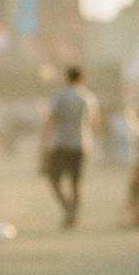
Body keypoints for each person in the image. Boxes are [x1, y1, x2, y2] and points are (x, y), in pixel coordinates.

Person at [40, 66, 101, 227]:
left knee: (54, 179)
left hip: (61, 143)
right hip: (81, 143)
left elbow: (51, 121)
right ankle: (73, 212)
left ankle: (68, 208)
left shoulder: (60, 97)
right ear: (82, 79)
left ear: (66, 78)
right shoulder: (89, 97)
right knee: (76, 181)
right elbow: (95, 122)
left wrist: (44, 144)